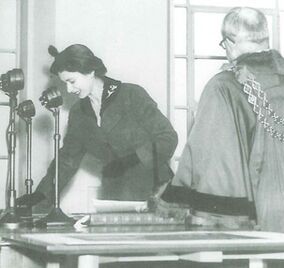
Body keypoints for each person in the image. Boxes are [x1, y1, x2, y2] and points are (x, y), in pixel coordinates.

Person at [156, 7, 284, 233]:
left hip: (254, 222)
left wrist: (172, 197)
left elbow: (212, 161)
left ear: (230, 43)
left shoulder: (223, 86)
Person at [17, 44, 178, 211]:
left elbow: (168, 138)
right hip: (115, 197)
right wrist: (41, 194)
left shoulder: (131, 95)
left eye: (71, 81)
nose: (69, 89)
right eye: (65, 83)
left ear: (90, 72)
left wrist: (131, 160)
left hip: (157, 193)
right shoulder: (78, 113)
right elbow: (67, 160)